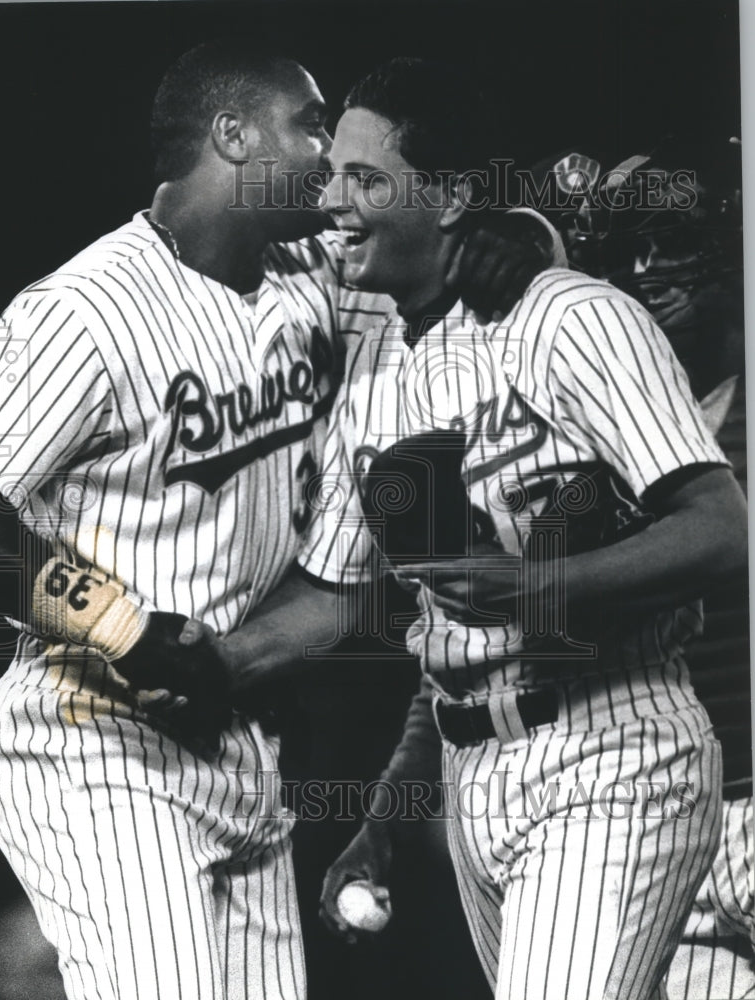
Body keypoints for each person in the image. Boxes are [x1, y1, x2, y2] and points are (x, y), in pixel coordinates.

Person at [232, 58, 748, 1000]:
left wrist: (535, 588)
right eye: (333, 176)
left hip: (615, 743)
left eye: (366, 179)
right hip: (479, 771)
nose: (333, 202)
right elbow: (346, 605)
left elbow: (721, 533)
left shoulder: (570, 319)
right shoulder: (382, 370)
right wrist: (182, 660)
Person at [0, 42, 401, 1000]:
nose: (326, 150)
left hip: (237, 735)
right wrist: (118, 624)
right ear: (230, 135)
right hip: (90, 734)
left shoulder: (314, 278)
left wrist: (528, 231)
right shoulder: (89, 309)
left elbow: (448, 254)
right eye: (308, 123)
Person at [537, 141, 753, 999]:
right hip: (669, 819)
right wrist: (389, 805)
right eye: (626, 250)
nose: (646, 270)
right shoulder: (584, 446)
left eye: (671, 242)